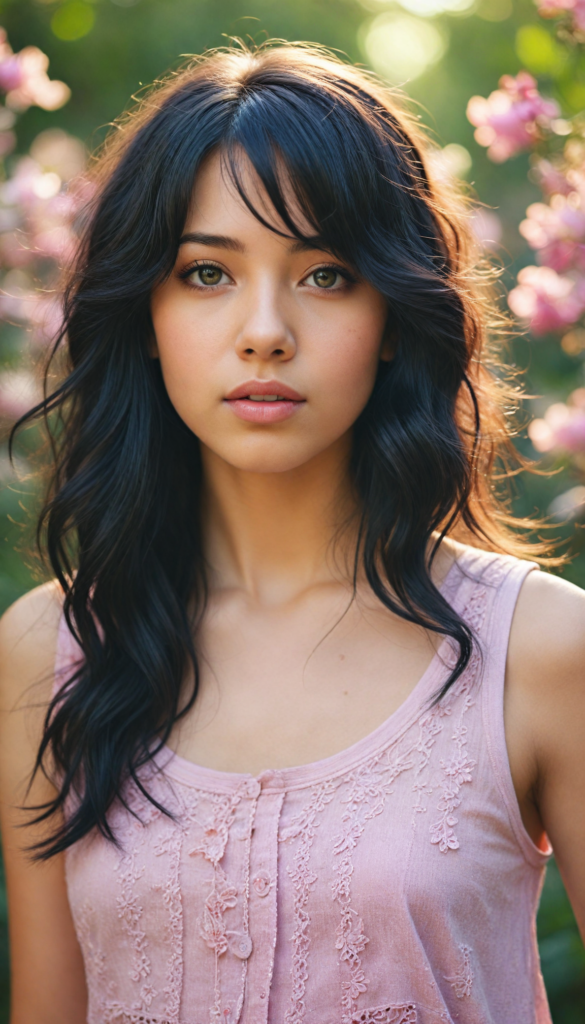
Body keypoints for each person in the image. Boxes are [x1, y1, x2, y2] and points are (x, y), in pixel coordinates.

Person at [0, 40, 583, 1024]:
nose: (264, 329)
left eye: (325, 275)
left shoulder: (543, 650)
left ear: (394, 314)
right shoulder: (49, 653)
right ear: (144, 311)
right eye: (205, 274)